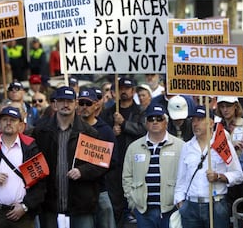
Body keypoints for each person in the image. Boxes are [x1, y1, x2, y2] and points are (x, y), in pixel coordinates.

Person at [31, 86, 109, 228]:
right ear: (54, 104)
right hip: (48, 202)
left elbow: (101, 164)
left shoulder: (89, 132)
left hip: (81, 203)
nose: (65, 105)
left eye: (69, 101)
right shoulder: (41, 131)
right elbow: (32, 162)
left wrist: (82, 171)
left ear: (75, 104)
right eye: (61, 101)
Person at [0, 106, 45, 228]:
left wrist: (25, 206)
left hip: (23, 215)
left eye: (13, 120)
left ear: (21, 125)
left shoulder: (30, 148)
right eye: (5, 119)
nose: (8, 123)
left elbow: (40, 183)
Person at [174, 105, 243, 228]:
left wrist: (219, 176)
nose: (195, 124)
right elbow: (181, 179)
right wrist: (180, 203)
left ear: (211, 123)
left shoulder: (223, 145)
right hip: (191, 205)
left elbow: (238, 175)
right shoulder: (187, 147)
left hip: (216, 204)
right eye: (193, 120)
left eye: (200, 120)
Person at [122, 103, 184, 228]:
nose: (155, 122)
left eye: (159, 118)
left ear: (166, 122)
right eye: (151, 119)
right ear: (146, 123)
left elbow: (185, 177)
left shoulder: (181, 146)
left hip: (171, 209)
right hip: (143, 211)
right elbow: (126, 177)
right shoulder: (134, 147)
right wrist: (133, 202)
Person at [101, 77, 147, 228]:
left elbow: (144, 130)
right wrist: (111, 130)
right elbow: (101, 132)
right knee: (116, 203)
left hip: (134, 163)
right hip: (114, 163)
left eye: (127, 88)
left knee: (134, 201)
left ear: (133, 91)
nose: (124, 91)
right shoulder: (109, 112)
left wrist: (124, 124)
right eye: (120, 88)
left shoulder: (140, 111)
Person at [77, 88, 118, 228]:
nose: (84, 107)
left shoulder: (105, 130)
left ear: (96, 105)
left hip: (100, 189)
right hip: (78, 192)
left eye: (87, 104)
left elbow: (113, 161)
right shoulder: (72, 128)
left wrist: (90, 169)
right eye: (81, 103)